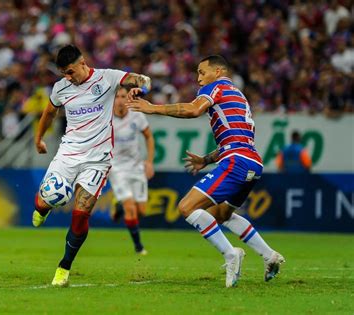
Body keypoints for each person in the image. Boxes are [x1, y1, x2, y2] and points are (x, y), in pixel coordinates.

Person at [126, 55, 284, 288]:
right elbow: (236, 139)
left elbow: (192, 110)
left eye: (202, 72)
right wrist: (207, 159)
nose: (199, 79)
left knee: (186, 207)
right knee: (221, 215)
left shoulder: (216, 87)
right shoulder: (238, 95)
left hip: (236, 161)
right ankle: (270, 256)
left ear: (218, 71)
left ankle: (231, 254)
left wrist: (152, 108)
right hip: (252, 161)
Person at [32, 44, 152, 287]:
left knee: (81, 212)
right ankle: (43, 210)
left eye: (69, 71)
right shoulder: (61, 88)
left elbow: (141, 79)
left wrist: (141, 87)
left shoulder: (108, 78)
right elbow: (49, 113)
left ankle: (63, 267)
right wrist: (38, 138)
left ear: (82, 63)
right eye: (63, 73)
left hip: (98, 160)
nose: (67, 76)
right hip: (67, 154)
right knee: (43, 201)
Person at [109, 86, 155, 255]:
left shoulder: (137, 115)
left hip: (137, 168)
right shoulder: (106, 118)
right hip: (117, 169)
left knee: (141, 210)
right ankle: (138, 247)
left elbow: (149, 136)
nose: (120, 100)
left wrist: (149, 162)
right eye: (117, 97)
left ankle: (118, 205)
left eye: (123, 96)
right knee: (131, 209)